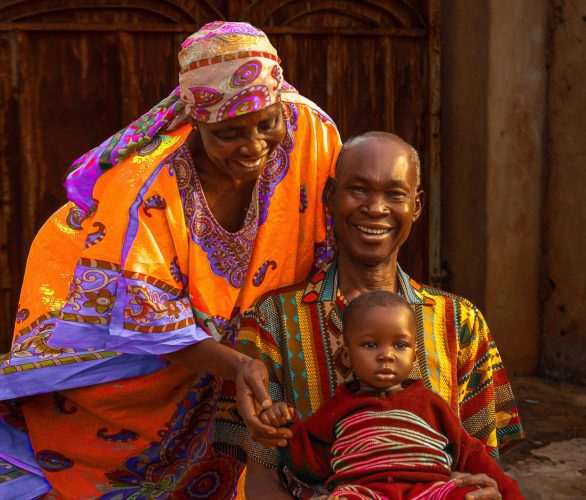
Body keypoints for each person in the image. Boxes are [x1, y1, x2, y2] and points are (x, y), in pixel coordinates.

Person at [0, 22, 341, 498]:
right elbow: (147, 319)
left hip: (238, 349)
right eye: (229, 133)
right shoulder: (146, 185)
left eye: (267, 123)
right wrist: (239, 365)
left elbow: (331, 230)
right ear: (195, 122)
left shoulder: (312, 134)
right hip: (133, 352)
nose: (255, 146)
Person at [215, 131, 524, 499]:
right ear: (331, 198)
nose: (376, 208)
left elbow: (481, 463)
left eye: (395, 194)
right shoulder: (271, 321)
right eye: (358, 189)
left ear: (417, 205)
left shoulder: (460, 322)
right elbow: (262, 477)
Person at [260, 291, 524, 500]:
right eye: (370, 344)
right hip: (363, 492)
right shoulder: (338, 408)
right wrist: (285, 425)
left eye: (400, 345)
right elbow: (311, 460)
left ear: (414, 356)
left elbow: (470, 453)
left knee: (467, 495)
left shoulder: (431, 404)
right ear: (346, 356)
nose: (386, 355)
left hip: (431, 489)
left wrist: (510, 493)